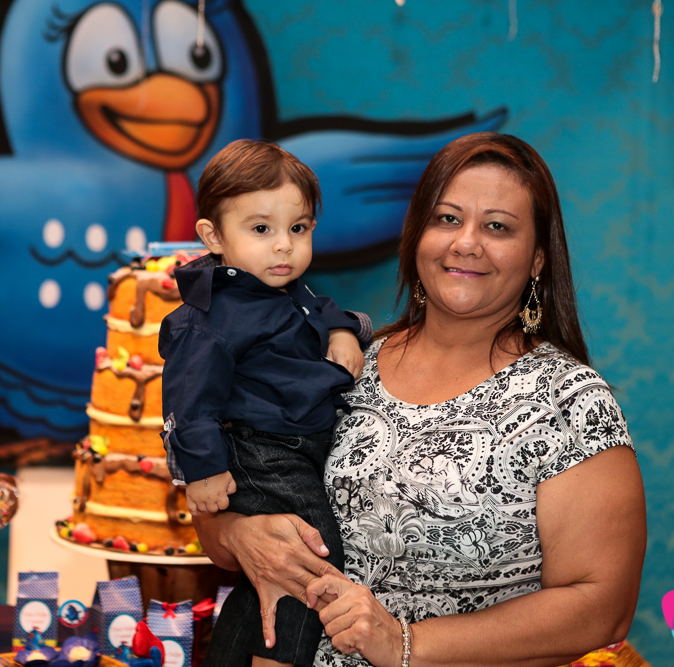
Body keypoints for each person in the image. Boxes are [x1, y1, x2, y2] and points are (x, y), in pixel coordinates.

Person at [194, 132, 648, 667]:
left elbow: (601, 607)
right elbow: (230, 498)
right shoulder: (342, 361)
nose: (467, 243)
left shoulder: (568, 402)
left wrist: (405, 643)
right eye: (447, 219)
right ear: (416, 236)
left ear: (538, 259)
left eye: (497, 227)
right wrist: (238, 534)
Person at [159, 139, 373, 667]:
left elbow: (322, 308)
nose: (284, 247)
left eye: (298, 228)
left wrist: (342, 331)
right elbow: (189, 400)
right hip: (261, 452)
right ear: (214, 236)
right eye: (261, 229)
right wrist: (202, 470)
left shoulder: (285, 288)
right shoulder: (211, 317)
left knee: (271, 573)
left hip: (298, 446)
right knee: (312, 556)